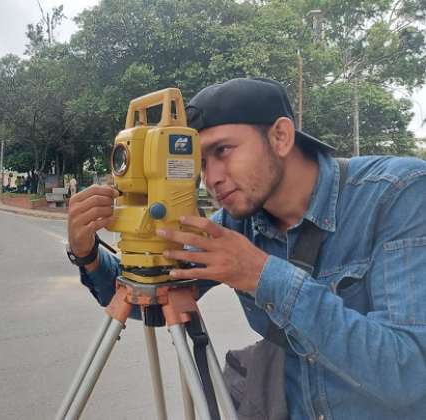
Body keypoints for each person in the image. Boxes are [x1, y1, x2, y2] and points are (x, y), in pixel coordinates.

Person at [65, 78, 426, 419]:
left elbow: (408, 373)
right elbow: (154, 301)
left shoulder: (398, 195)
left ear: (281, 137)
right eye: (201, 162)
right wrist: (88, 253)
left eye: (223, 150)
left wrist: (262, 275)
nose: (212, 177)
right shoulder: (236, 223)